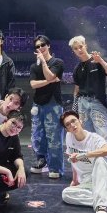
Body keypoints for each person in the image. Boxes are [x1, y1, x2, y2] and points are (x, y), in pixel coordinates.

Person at [60, 110, 107, 213]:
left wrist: (84, 155)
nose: (72, 125)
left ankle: (103, 207)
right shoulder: (69, 137)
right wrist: (74, 180)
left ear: (80, 121)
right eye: (68, 124)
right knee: (66, 194)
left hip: (103, 176)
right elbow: (73, 159)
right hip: (87, 181)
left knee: (100, 159)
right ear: (67, 129)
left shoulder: (94, 138)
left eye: (74, 121)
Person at [68, 35, 107, 149]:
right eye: (76, 48)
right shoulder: (77, 69)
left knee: (103, 136)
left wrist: (101, 61)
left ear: (85, 46)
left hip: (97, 102)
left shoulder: (97, 61)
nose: (79, 50)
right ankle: (92, 160)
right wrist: (75, 108)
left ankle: (104, 161)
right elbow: (77, 89)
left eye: (80, 46)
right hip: (82, 104)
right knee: (87, 137)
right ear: (73, 51)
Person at [27, 35, 65, 179]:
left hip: (53, 103)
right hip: (38, 104)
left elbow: (49, 75)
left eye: (42, 45)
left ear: (48, 45)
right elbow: (33, 84)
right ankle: (41, 161)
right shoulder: (33, 66)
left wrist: (43, 62)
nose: (40, 48)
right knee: (37, 135)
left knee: (54, 136)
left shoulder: (57, 62)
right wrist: (50, 81)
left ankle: (55, 167)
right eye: (37, 46)